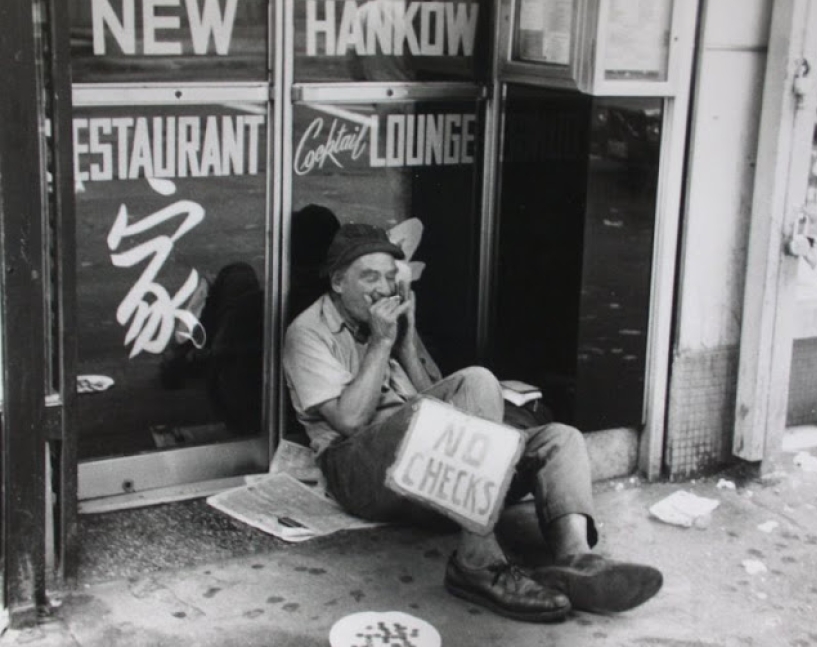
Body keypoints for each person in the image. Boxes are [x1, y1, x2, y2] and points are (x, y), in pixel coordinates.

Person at [283, 222, 663, 623]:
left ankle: (577, 559)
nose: (382, 288)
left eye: (390, 277)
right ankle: (476, 561)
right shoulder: (307, 332)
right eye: (369, 277)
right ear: (339, 281)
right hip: (357, 470)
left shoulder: (390, 322)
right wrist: (380, 341)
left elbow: (443, 398)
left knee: (560, 438)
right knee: (479, 379)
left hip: (423, 467)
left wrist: (406, 340)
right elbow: (349, 421)